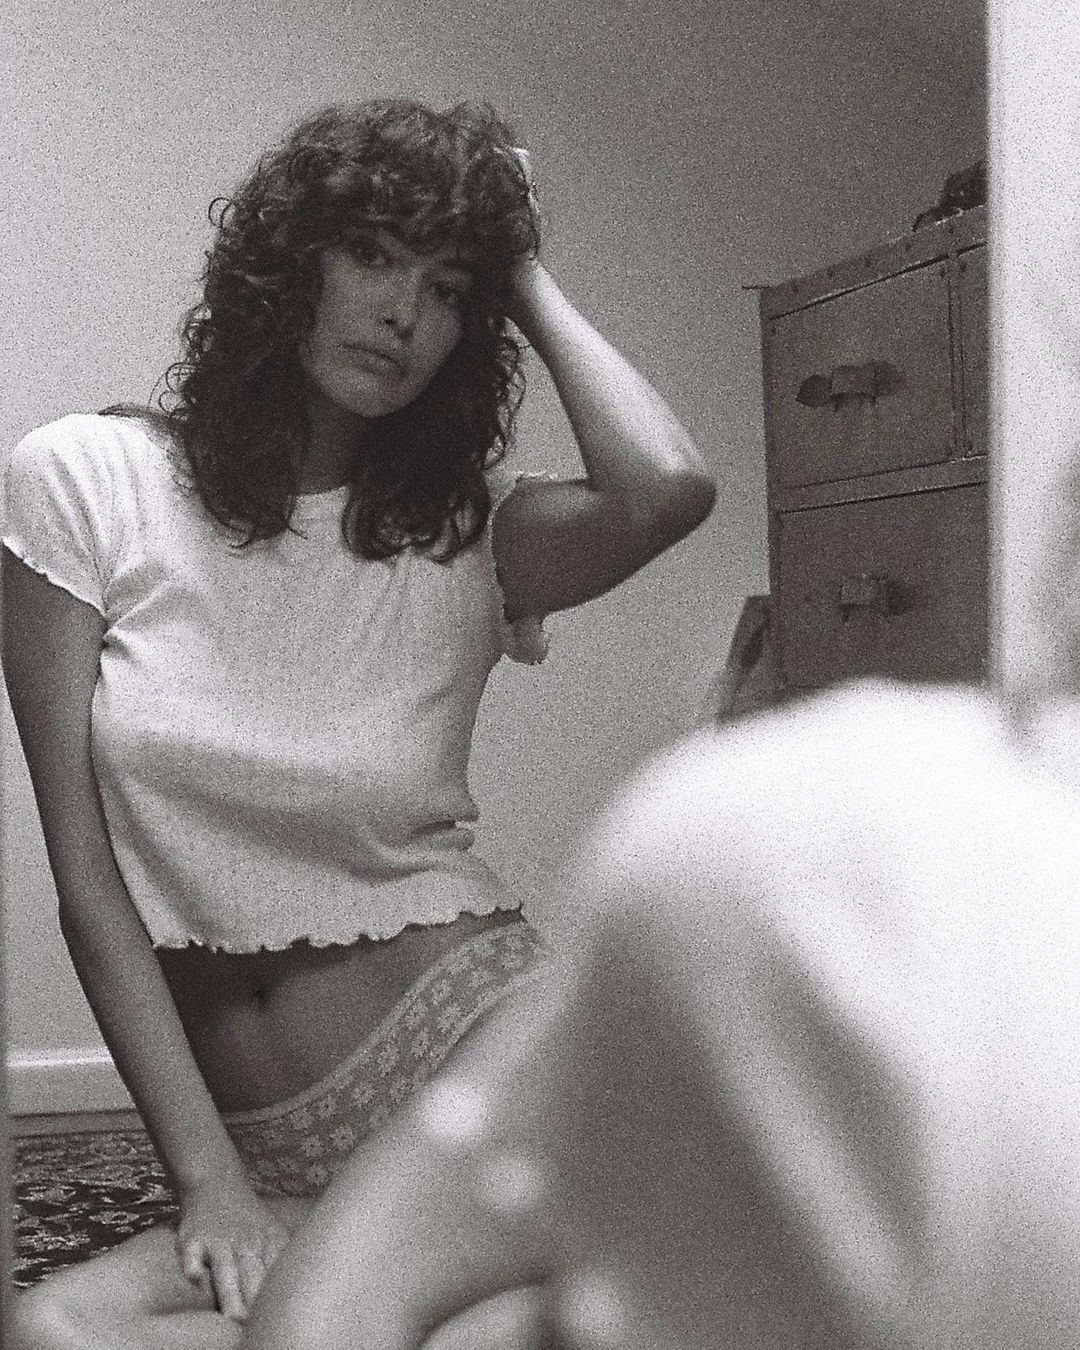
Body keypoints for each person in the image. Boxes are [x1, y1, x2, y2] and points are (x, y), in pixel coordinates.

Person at [2, 97, 715, 1349]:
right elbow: (88, 884)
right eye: (376, 255)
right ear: (292, 264)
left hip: (479, 1075)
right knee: (59, 1330)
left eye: (449, 289)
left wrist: (522, 267)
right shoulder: (85, 482)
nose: (403, 313)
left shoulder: (469, 532)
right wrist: (208, 1181)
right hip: (261, 1152)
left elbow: (666, 489)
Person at [238, 678, 1080, 1349]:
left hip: (465, 1023)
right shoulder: (826, 838)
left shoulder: (816, 834)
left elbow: (382, 1255)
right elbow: (386, 1252)